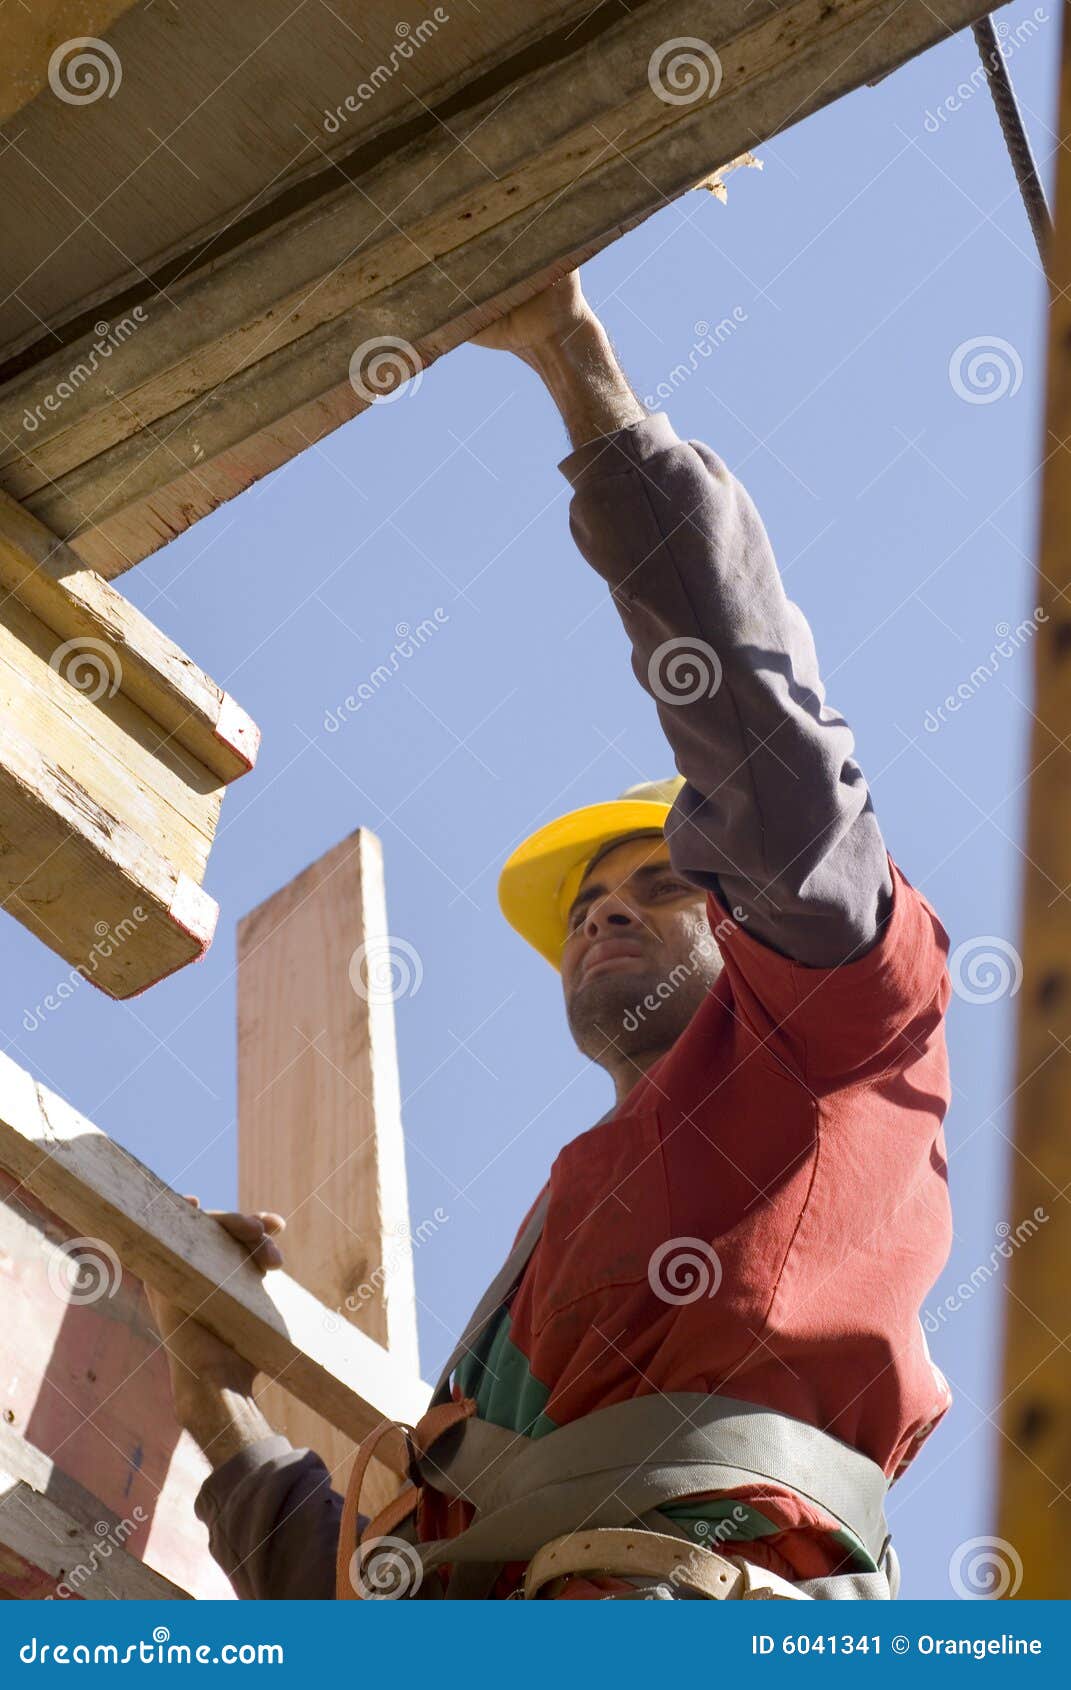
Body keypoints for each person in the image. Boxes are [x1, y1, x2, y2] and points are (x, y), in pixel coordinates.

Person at [147, 272, 953, 1600]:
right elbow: (364, 1580)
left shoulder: (846, 1031)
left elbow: (767, 746)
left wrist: (575, 371)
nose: (605, 908)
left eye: (659, 881)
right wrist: (208, 1391)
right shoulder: (546, 1289)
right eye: (585, 903)